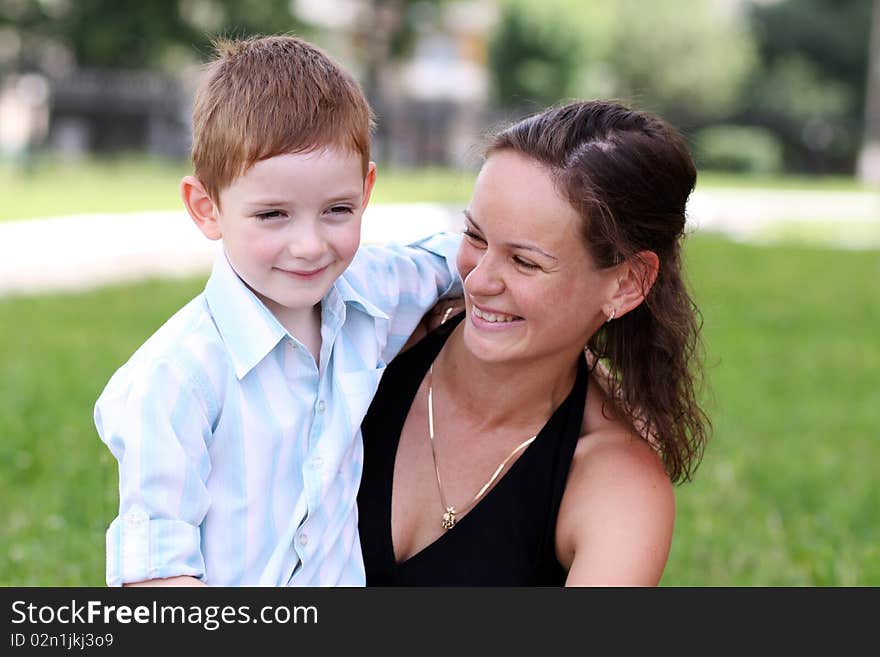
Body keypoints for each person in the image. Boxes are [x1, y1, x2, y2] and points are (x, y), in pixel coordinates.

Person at [94, 35, 462, 587]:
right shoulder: (175, 379)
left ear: (366, 191)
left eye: (337, 210)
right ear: (206, 207)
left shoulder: (372, 291)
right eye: (272, 215)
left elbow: (460, 261)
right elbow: (155, 573)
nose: (310, 246)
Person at [357, 99, 710, 586]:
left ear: (625, 284)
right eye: (476, 237)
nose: (478, 282)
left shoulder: (615, 486)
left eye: (525, 262)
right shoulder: (371, 344)